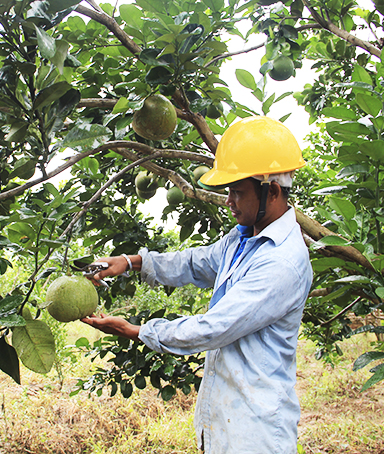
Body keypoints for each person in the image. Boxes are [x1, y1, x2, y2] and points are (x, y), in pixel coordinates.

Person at [81, 115, 313, 454]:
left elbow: (214, 328)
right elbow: (195, 262)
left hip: (255, 432)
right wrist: (132, 262)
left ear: (272, 191)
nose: (230, 201)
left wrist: (136, 331)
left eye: (237, 192)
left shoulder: (281, 263)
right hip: (225, 422)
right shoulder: (243, 237)